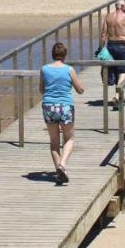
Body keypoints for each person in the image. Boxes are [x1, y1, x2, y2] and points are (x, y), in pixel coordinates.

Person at [40, 41, 85, 185]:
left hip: (48, 106)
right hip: (65, 106)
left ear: (52, 55)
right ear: (65, 55)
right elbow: (79, 89)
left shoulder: (44, 69)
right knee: (70, 138)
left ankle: (60, 171)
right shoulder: (69, 69)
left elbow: (41, 89)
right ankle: (62, 165)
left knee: (54, 142)